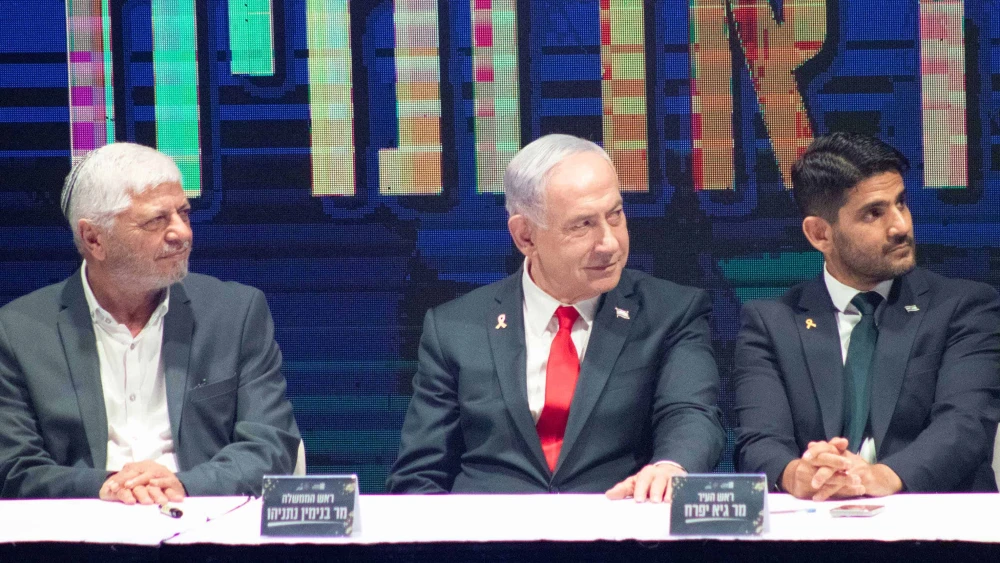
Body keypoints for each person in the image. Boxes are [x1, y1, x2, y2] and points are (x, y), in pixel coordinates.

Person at [387, 134, 724, 501]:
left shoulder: (672, 312)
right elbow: (419, 475)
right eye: (582, 225)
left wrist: (671, 466)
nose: (609, 242)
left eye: (615, 215)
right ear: (525, 236)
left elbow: (691, 413)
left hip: (617, 535)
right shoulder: (454, 328)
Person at [0, 143, 301, 504]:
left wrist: (184, 485)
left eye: (184, 214)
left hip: (201, 522)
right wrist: (110, 486)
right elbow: (14, 467)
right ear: (94, 238)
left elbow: (271, 445)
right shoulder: (18, 332)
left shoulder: (236, 313)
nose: (182, 233)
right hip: (82, 529)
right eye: (157, 220)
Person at [734, 132, 1000, 500]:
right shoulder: (771, 323)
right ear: (819, 234)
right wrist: (800, 474)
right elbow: (758, 441)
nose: (901, 226)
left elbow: (966, 425)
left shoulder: (965, 307)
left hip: (932, 526)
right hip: (815, 528)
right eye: (874, 213)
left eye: (901, 203)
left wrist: (882, 477)